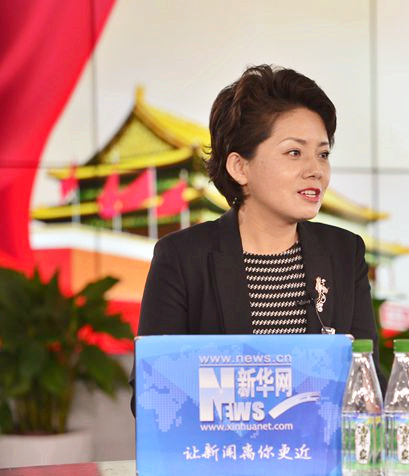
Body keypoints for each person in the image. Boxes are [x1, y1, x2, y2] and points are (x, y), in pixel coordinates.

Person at [131, 64, 383, 414]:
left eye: (323, 154)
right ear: (240, 167)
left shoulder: (344, 253)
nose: (316, 170)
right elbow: (153, 395)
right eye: (294, 152)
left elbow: (368, 384)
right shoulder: (182, 258)